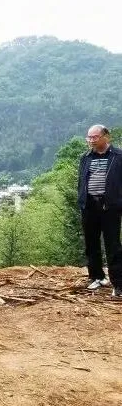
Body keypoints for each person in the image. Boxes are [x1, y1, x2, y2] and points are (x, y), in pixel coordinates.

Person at [77, 124, 122, 297]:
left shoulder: (118, 156)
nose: (91, 141)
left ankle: (118, 283)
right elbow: (82, 180)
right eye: (89, 137)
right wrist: (82, 199)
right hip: (90, 206)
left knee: (113, 245)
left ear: (106, 137)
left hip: (110, 207)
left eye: (95, 137)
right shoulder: (86, 157)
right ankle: (97, 277)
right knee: (91, 244)